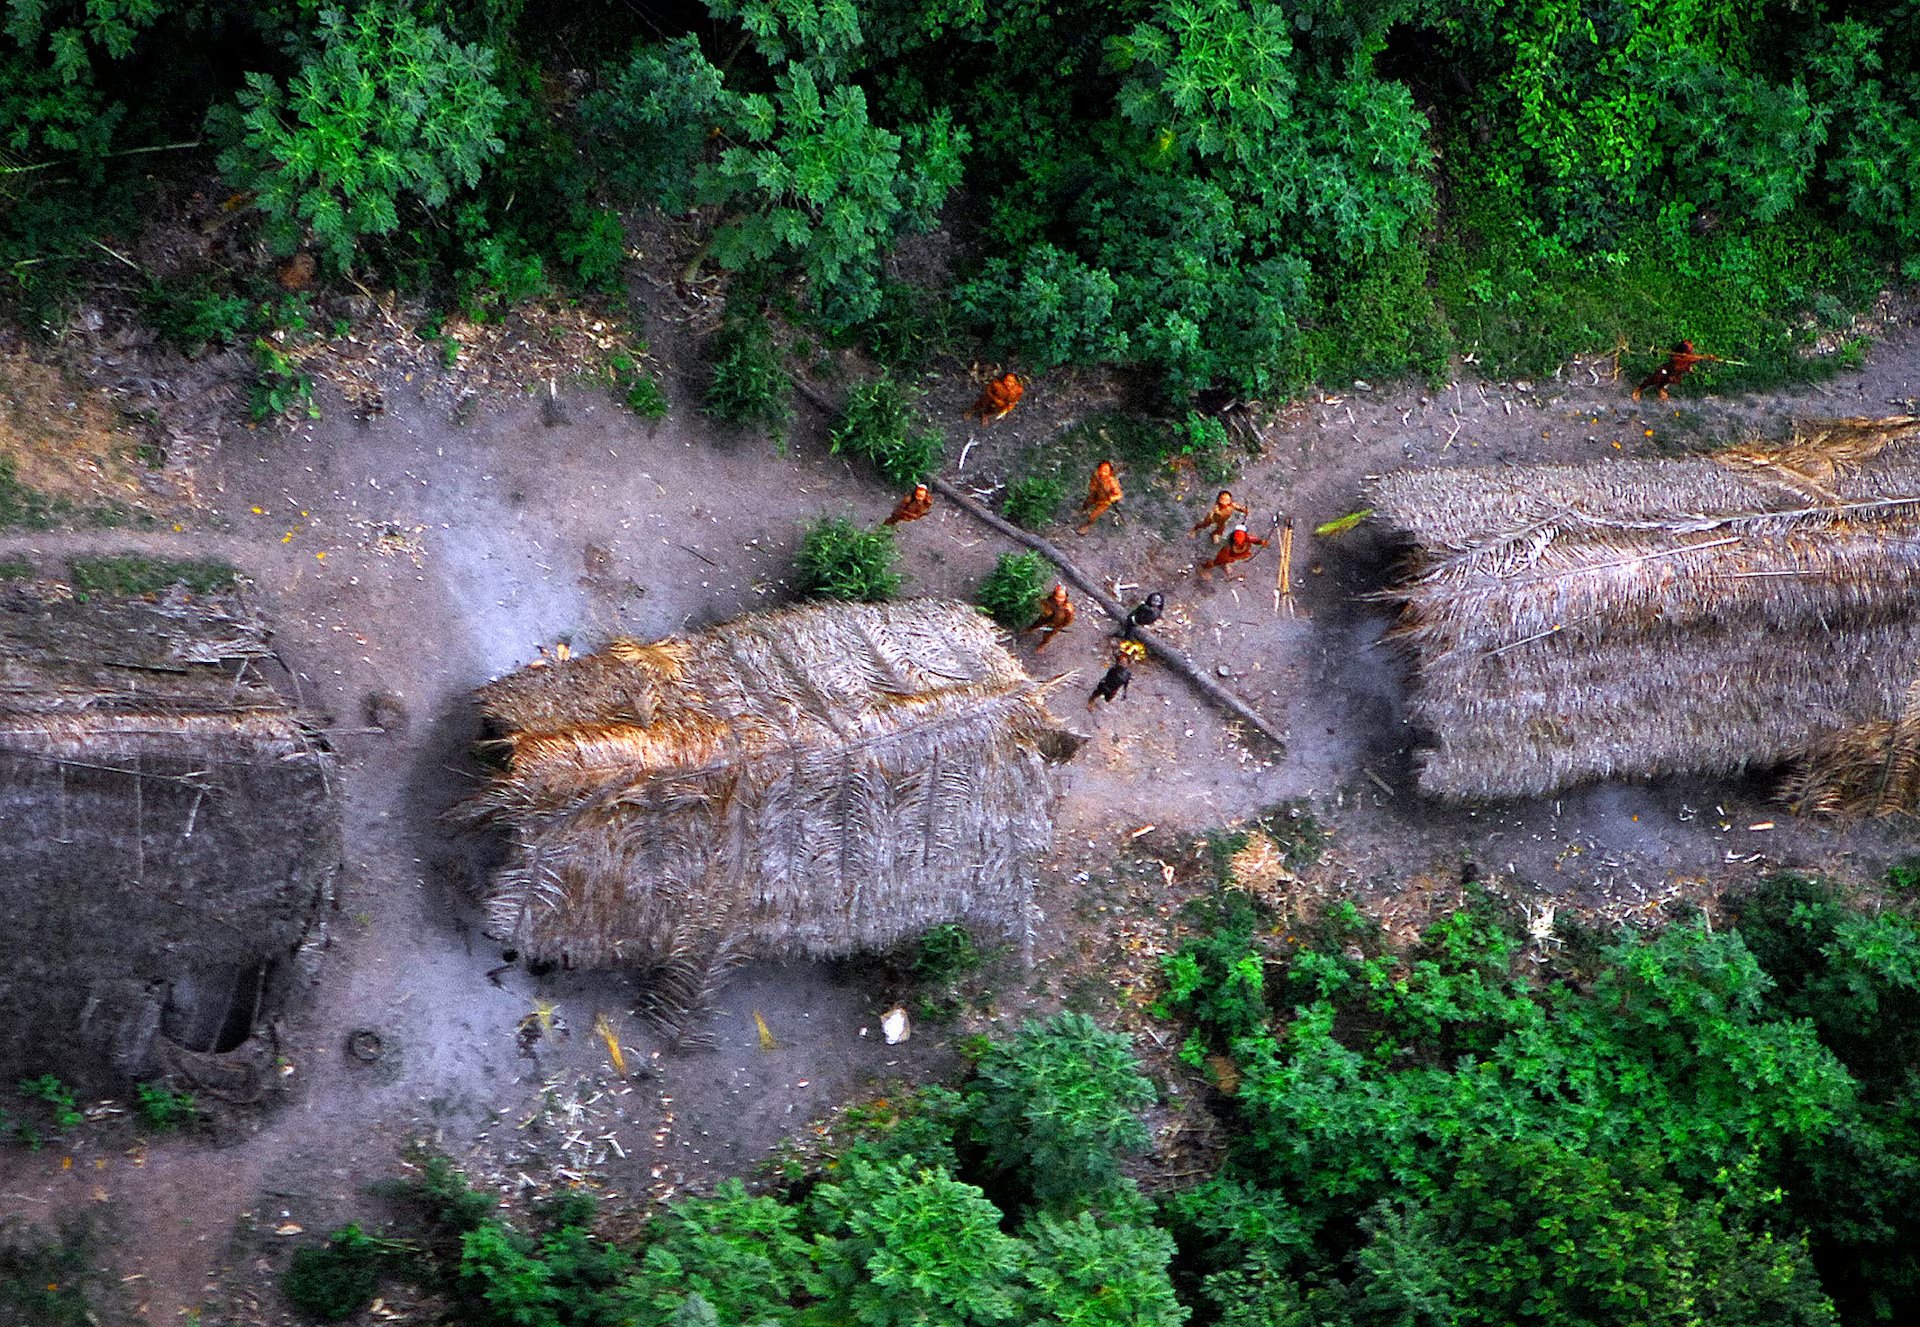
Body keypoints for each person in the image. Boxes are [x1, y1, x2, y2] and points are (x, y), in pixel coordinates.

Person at [1633, 340, 1716, 402]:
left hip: (1674, 375)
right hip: (1667, 371)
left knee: (1672, 380)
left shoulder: (1689, 357)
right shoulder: (1676, 357)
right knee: (1657, 377)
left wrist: (1708, 357)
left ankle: (1661, 388)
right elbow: (1682, 362)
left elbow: (1698, 358)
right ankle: (1639, 390)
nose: (1690, 352)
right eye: (1689, 350)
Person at [1199, 527, 1267, 580]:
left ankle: (1225, 563)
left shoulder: (1247, 539)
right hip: (1228, 552)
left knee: (1233, 558)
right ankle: (1203, 569)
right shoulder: (1228, 546)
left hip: (1238, 553)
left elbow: (1255, 540)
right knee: (1218, 561)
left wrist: (1261, 542)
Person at [1025, 583, 1074, 652]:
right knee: (1037, 623)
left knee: (1048, 636)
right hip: (1045, 617)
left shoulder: (1068, 609)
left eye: (1060, 600)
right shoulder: (1050, 599)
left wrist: (1060, 626)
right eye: (1057, 599)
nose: (1058, 601)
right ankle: (1030, 629)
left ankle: (1042, 645)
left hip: (1055, 623)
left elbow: (1069, 620)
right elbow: (1043, 602)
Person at [1077, 460, 1123, 533]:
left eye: (1105, 471)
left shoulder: (1112, 482)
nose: (1102, 472)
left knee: (1093, 515)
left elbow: (1118, 495)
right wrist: (1093, 490)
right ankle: (1082, 510)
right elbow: (1093, 483)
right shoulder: (1096, 475)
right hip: (1095, 494)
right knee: (1087, 502)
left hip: (1105, 501)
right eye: (1101, 469)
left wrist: (1111, 498)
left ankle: (1086, 526)